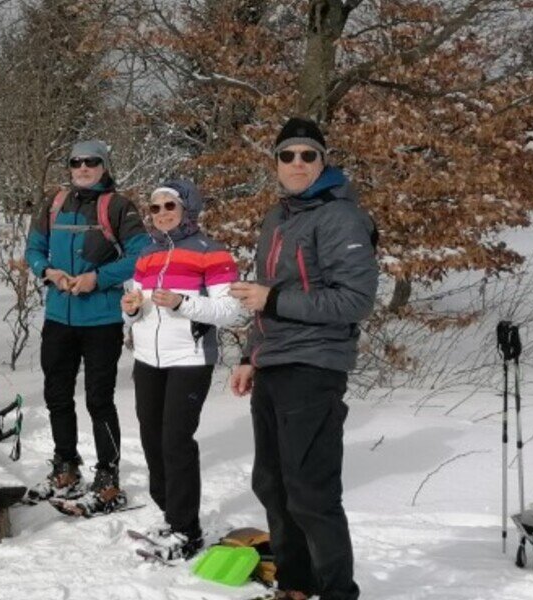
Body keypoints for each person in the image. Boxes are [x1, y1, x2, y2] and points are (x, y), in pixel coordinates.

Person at [227, 117, 379, 600]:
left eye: (307, 154)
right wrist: (252, 354)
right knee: (271, 485)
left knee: (311, 494)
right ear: (275, 162)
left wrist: (271, 301)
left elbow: (354, 300)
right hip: (275, 363)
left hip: (315, 366)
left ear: (323, 160)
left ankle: (338, 593)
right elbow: (260, 295)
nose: (297, 163)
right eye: (287, 155)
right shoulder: (280, 217)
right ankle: (295, 586)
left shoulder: (341, 217)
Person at [118, 180, 246, 560]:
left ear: (187, 208)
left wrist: (182, 303)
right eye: (155, 209)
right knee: (151, 439)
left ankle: (187, 531)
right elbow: (137, 307)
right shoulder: (147, 255)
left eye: (169, 206)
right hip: (147, 359)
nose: (161, 214)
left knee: (175, 441)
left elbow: (230, 312)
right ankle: (170, 514)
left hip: (189, 359)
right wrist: (130, 308)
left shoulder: (213, 253)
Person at [24, 140, 148, 510]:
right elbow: (33, 249)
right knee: (57, 394)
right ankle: (66, 467)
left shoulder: (120, 206)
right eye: (76, 161)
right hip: (59, 316)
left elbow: (142, 256)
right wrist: (47, 272)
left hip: (102, 319)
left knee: (98, 399)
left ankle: (108, 475)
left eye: (91, 162)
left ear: (104, 166)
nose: (82, 167)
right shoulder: (54, 203)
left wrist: (100, 278)